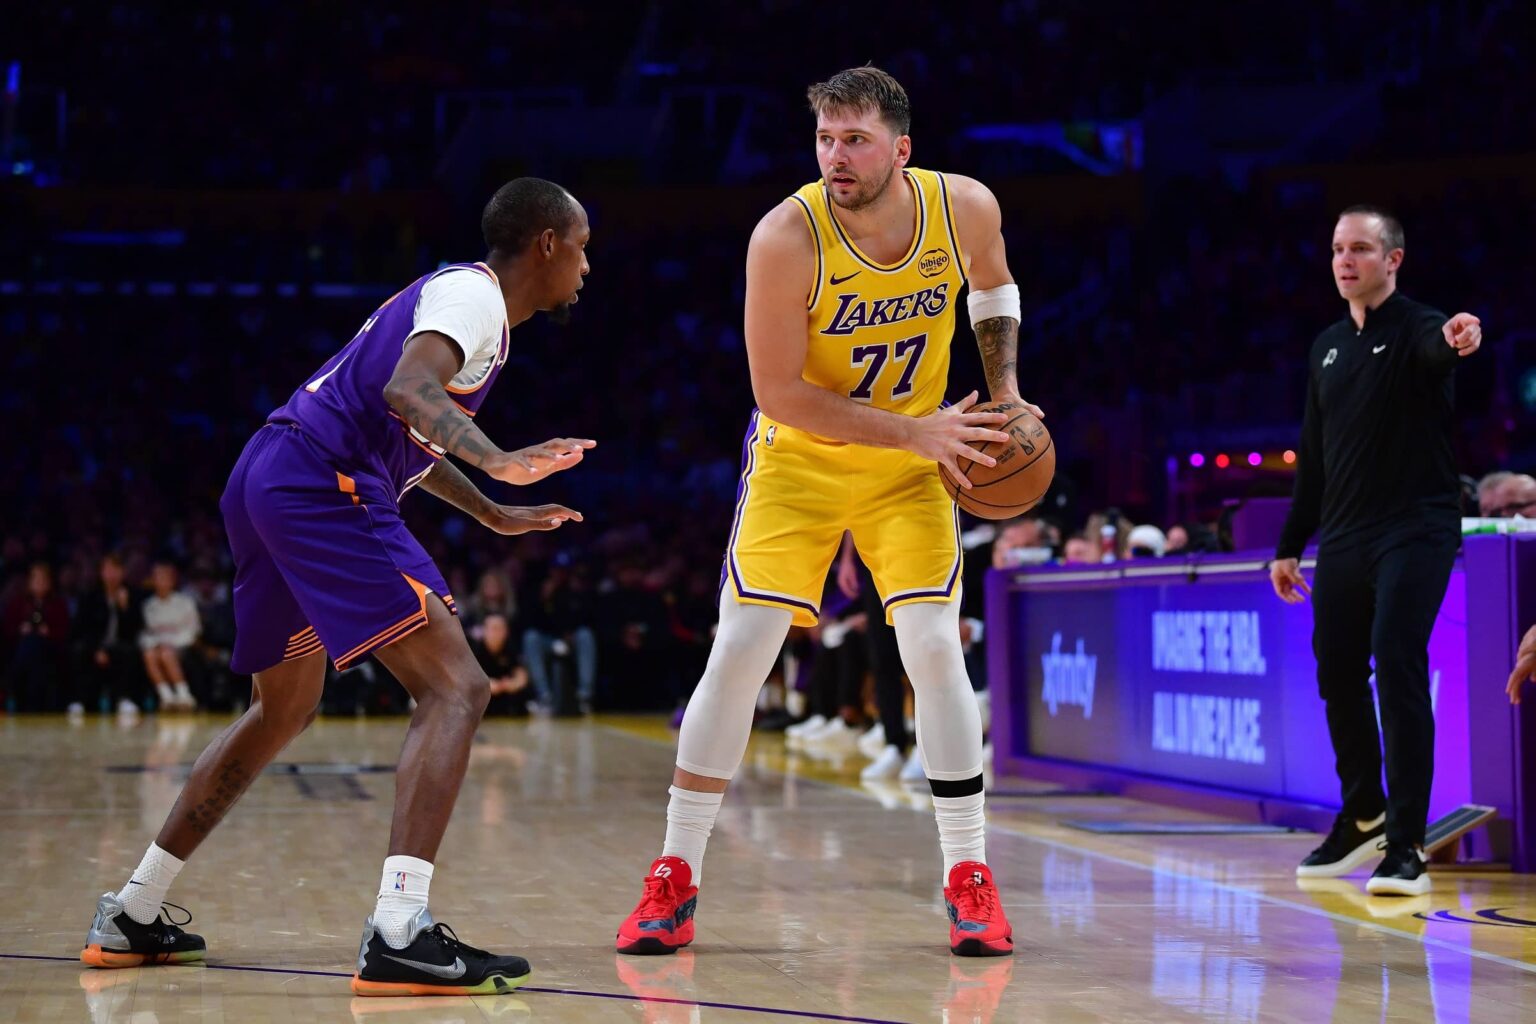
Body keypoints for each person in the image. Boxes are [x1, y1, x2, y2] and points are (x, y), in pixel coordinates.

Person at [81, 177, 593, 998]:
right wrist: (496, 456)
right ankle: (400, 929)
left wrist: (493, 509)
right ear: (545, 243)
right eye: (582, 245)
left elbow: (408, 438)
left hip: (270, 474)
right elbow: (407, 392)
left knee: (281, 708)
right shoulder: (475, 298)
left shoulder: (456, 301)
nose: (586, 265)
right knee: (457, 688)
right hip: (321, 482)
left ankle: (133, 909)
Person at [616, 66, 1033, 958]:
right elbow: (778, 392)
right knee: (742, 649)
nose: (835, 157)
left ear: (902, 149)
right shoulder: (783, 237)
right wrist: (916, 433)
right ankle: (674, 875)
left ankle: (969, 875)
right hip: (803, 459)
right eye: (824, 139)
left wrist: (1003, 392)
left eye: (855, 140)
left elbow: (994, 290)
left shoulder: (964, 208)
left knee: (931, 644)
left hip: (914, 458)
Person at [1270, 205, 1483, 897]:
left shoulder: (1422, 326)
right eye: (1337, 248)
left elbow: (1438, 347)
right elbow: (1316, 460)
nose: (1344, 260)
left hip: (1416, 526)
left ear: (1393, 259)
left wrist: (1458, 337)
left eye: (1360, 248)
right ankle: (1363, 809)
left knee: (1395, 657)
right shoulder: (1327, 346)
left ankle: (1408, 846)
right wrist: (1289, 544)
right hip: (1346, 533)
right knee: (1335, 669)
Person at [72, 553, 147, 716]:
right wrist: (97, 649)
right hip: (94, 644)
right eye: (108, 569)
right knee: (79, 650)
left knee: (130, 652)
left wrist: (125, 608)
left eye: (116, 569)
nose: (112, 574)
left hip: (120, 645)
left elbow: (135, 630)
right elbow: (82, 629)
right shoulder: (90, 596)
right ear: (101, 572)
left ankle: (124, 699)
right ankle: (80, 701)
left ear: (123, 572)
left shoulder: (133, 595)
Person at [139, 561, 202, 712]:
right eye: (158, 577)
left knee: (166, 654)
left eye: (165, 577)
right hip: (157, 647)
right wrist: (156, 644)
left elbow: (193, 630)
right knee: (149, 655)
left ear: (173, 580)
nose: (161, 580)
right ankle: (167, 697)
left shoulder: (185, 603)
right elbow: (146, 633)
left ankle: (184, 695)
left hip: (182, 647)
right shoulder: (148, 606)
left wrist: (170, 643)